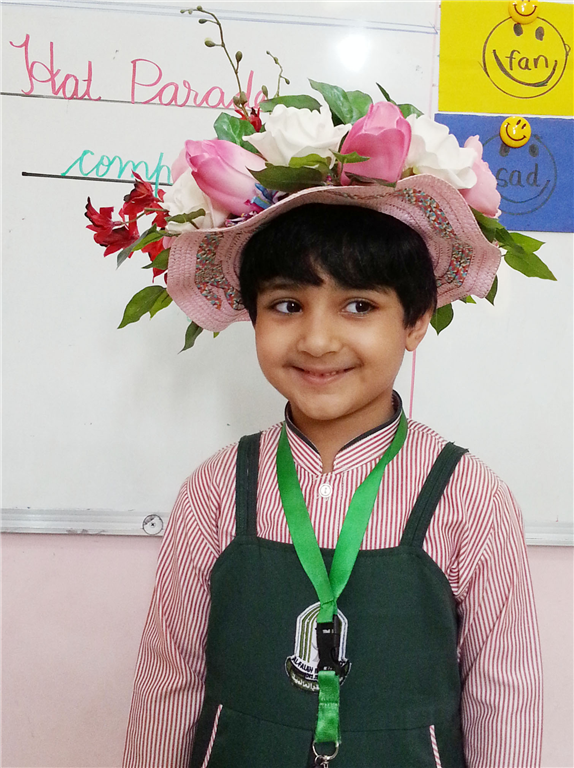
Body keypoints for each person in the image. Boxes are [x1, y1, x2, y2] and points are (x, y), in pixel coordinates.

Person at [122, 181, 543, 767]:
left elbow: (506, 698)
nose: (317, 340)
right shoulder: (215, 488)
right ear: (252, 315)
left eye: (359, 306)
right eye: (287, 305)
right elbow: (169, 679)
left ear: (416, 321)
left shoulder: (471, 496)